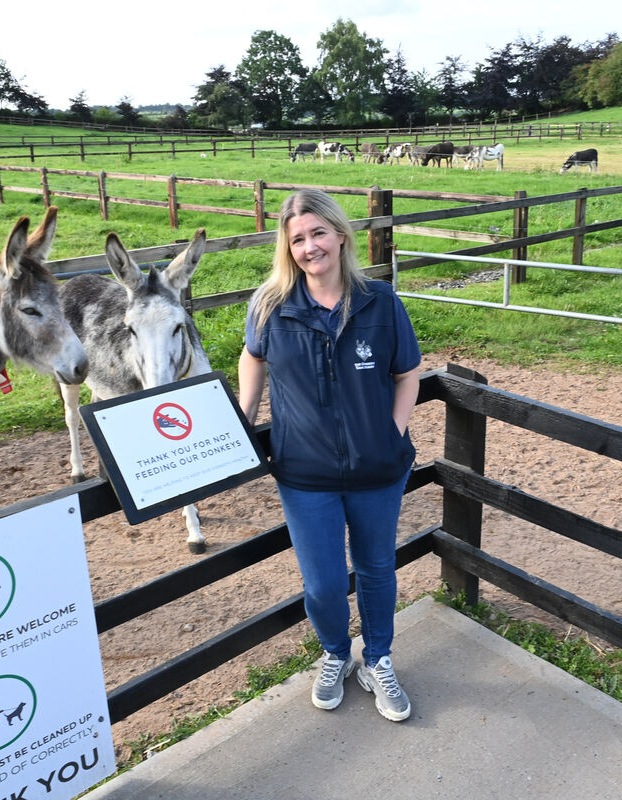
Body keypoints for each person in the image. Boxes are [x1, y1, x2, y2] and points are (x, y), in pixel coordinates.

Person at [238, 189, 421, 722]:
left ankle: (378, 659)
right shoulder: (270, 305)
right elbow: (252, 358)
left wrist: (392, 430)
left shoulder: (380, 301)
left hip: (378, 469)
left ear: (341, 235)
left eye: (319, 233)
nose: (310, 246)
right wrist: (245, 414)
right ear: (286, 247)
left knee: (376, 568)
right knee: (321, 582)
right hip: (304, 473)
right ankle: (337, 654)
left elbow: (406, 373)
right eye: (298, 238)